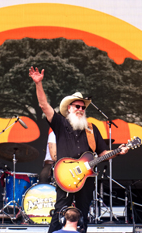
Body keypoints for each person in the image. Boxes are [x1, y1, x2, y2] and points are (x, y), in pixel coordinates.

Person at [29, 67, 128, 233]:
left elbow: (103, 154)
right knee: (60, 211)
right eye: (77, 106)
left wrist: (118, 151)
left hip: (86, 178)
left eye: (83, 107)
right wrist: (38, 84)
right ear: (69, 108)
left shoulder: (91, 129)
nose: (81, 110)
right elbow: (43, 105)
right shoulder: (60, 123)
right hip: (65, 175)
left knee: (83, 213)